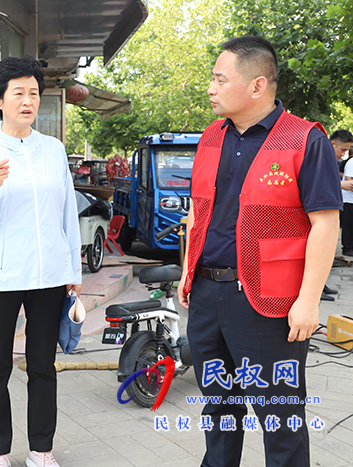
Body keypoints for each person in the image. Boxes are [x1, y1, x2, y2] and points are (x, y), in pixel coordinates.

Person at [178, 36, 341, 467]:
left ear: (257, 85)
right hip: (208, 296)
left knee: (280, 418)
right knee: (218, 410)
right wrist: (187, 270)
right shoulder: (210, 137)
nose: (211, 88)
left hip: (270, 302)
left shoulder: (304, 140)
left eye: (220, 79)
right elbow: (199, 210)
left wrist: (309, 302)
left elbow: (326, 224)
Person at [0, 56, 82, 467]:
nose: (28, 101)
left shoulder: (53, 150)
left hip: (48, 277)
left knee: (43, 366)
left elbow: (66, 215)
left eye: (33, 93)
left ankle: (40, 450)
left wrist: (73, 272)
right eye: (18, 93)